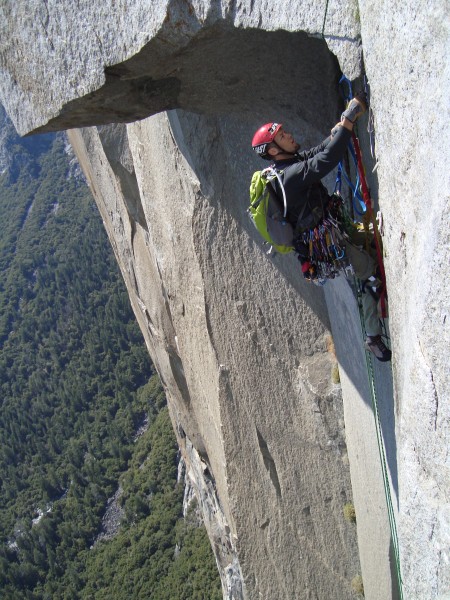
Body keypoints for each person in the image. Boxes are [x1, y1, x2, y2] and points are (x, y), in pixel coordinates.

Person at [251, 96, 391, 362]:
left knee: (371, 243)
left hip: (329, 231)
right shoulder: (289, 176)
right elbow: (326, 160)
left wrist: (339, 130)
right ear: (273, 150)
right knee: (369, 272)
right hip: (327, 243)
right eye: (282, 136)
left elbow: (318, 152)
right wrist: (348, 122)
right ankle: (372, 336)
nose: (289, 136)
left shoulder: (285, 166)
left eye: (286, 132)